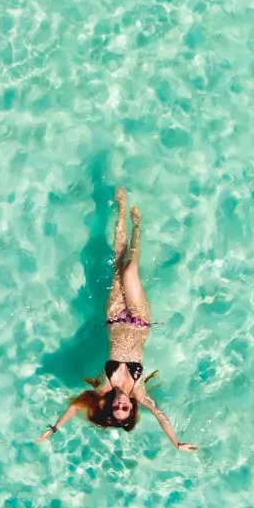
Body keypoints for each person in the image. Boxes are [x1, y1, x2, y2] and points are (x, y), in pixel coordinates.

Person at [37, 187, 197, 451]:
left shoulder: (103, 386)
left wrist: (55, 428)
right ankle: (138, 226)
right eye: (125, 408)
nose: (121, 404)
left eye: (117, 407)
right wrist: (176, 443)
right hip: (139, 319)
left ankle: (122, 213)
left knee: (117, 264)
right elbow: (160, 416)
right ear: (131, 407)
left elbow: (77, 406)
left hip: (113, 318)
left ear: (110, 404)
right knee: (130, 270)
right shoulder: (139, 393)